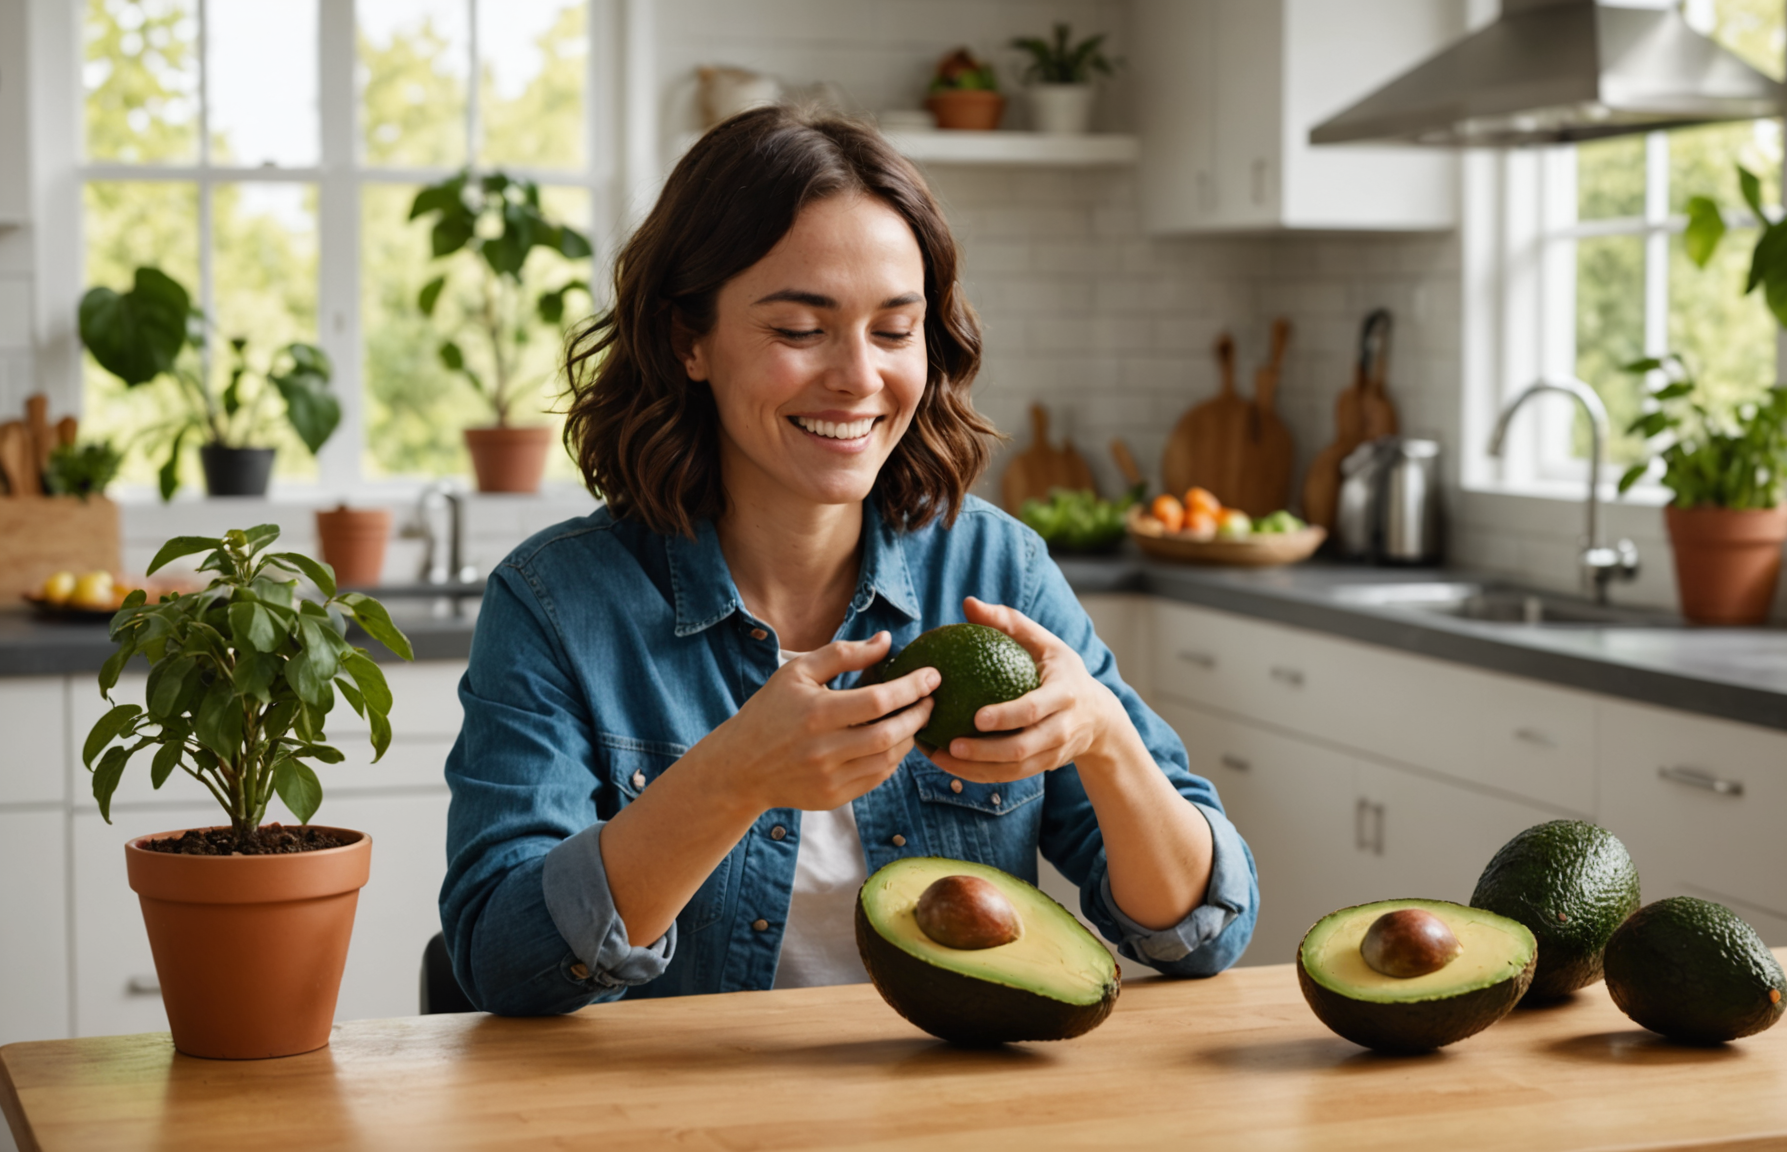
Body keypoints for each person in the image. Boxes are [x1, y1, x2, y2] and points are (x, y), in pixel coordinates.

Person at [438, 106, 1256, 1014]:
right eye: (799, 330)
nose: (859, 377)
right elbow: (500, 957)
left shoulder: (995, 571)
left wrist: (1104, 739)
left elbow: (1202, 933)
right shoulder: (558, 605)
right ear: (688, 340)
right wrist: (733, 777)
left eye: (895, 330)